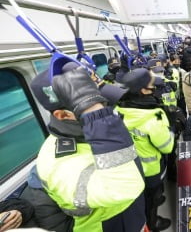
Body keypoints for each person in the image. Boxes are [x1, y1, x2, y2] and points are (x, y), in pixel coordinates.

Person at [30, 65, 146, 232]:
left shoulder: (93, 130)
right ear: (63, 115)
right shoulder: (59, 163)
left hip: (132, 215)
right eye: (96, 108)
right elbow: (124, 187)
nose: (109, 111)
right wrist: (96, 115)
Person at [116, 68, 174, 231]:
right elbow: (167, 146)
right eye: (151, 85)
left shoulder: (119, 110)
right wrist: (172, 128)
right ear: (143, 90)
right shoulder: (152, 117)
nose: (155, 87)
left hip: (129, 167)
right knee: (152, 199)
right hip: (151, 170)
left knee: (141, 198)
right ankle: (153, 222)